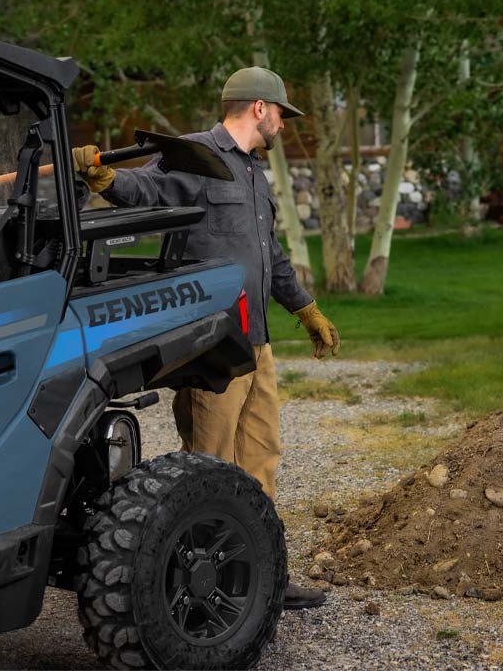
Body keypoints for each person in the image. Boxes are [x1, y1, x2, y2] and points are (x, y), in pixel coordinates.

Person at [73, 66, 339, 609]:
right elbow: (147, 188)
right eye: (282, 113)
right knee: (208, 465)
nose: (284, 124)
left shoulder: (253, 171)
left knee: (261, 457)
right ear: (259, 108)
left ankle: (263, 576)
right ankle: (192, 584)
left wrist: (303, 307)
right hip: (214, 346)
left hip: (257, 344)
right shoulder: (196, 155)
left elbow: (269, 254)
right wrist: (104, 178)